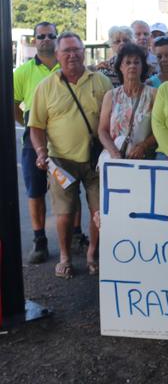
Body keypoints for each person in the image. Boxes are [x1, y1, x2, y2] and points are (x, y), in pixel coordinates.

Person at [28, 32, 113, 278]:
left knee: (100, 212)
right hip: (61, 162)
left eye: (76, 49)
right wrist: (41, 152)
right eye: (66, 51)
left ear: (83, 52)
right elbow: (36, 127)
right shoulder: (45, 87)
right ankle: (65, 257)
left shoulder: (101, 82)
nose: (72, 55)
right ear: (57, 55)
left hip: (96, 160)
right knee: (64, 214)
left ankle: (92, 254)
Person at [14, 22, 61, 263]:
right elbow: (13, 101)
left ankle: (74, 235)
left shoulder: (67, 64)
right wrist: (29, 124)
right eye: (40, 36)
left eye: (50, 35)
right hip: (35, 138)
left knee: (68, 187)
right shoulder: (22, 72)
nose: (45, 39)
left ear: (56, 38)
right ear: (34, 40)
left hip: (64, 137)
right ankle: (39, 240)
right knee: (35, 190)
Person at [98, 43, 157, 160]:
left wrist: (143, 147)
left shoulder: (154, 94)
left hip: (143, 160)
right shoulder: (111, 96)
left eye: (136, 62)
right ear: (120, 67)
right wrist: (114, 153)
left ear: (142, 66)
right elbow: (102, 130)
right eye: (128, 62)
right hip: (113, 159)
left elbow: (159, 129)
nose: (132, 66)